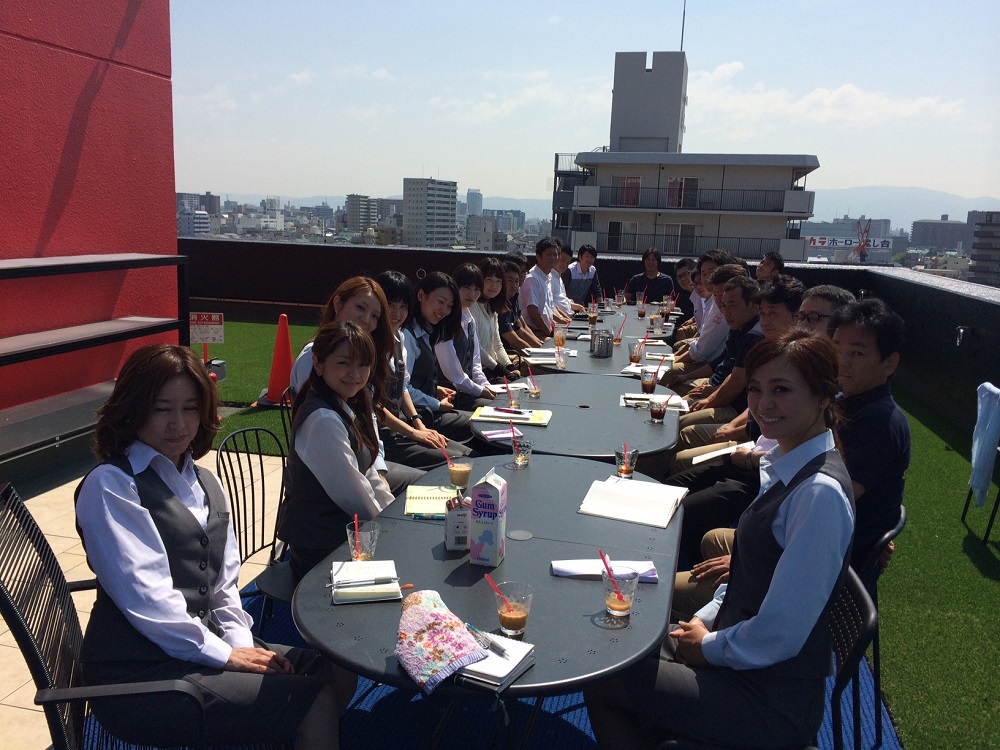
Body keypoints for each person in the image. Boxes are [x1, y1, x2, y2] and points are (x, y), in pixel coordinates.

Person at [585, 330, 855, 749]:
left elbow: (781, 632)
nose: (763, 404)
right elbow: (749, 574)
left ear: (823, 397)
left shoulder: (819, 494)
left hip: (769, 699)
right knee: (623, 643)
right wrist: (706, 619)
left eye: (782, 390)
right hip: (741, 658)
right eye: (756, 389)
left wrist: (707, 647)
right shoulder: (787, 464)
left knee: (607, 681)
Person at [75, 344, 351, 749]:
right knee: (311, 700)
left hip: (198, 646)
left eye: (190, 408)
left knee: (331, 670)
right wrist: (226, 657)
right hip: (140, 675)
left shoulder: (204, 481)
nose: (178, 424)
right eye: (162, 408)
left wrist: (239, 645)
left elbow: (223, 588)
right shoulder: (112, 485)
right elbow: (147, 598)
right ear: (133, 409)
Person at [278, 321, 396, 580]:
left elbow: (367, 472)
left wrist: (394, 517)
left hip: (344, 535)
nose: (355, 374)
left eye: (363, 364)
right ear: (318, 364)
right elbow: (355, 497)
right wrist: (391, 531)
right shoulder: (322, 419)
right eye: (343, 363)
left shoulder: (344, 403)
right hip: (322, 551)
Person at [289, 276, 421, 494]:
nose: (366, 320)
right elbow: (332, 451)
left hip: (364, 463)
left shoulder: (362, 358)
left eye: (375, 316)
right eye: (360, 307)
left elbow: (368, 419)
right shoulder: (313, 358)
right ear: (338, 303)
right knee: (427, 485)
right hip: (326, 484)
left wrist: (379, 469)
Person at [831, 297, 910, 577]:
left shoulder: (878, 421)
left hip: (831, 561)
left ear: (889, 364)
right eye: (836, 349)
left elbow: (831, 500)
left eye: (857, 353)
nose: (842, 361)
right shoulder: (845, 400)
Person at [373, 270, 472, 470]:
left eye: (403, 306)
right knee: (458, 461)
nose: (397, 313)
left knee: (467, 455)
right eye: (390, 305)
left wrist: (417, 422)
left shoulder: (399, 338)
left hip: (406, 423)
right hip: (383, 438)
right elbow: (374, 405)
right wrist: (416, 428)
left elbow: (402, 387)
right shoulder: (369, 346)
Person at [402, 272, 475, 439]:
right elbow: (403, 388)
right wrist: (437, 404)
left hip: (429, 410)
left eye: (449, 306)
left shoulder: (428, 331)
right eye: (441, 302)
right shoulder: (407, 336)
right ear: (421, 295)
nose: (444, 311)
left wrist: (435, 389)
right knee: (478, 424)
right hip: (418, 417)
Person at [435, 263, 498, 410]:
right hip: (452, 396)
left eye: (477, 289)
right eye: (467, 288)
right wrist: (481, 391)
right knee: (494, 408)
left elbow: (476, 365)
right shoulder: (446, 322)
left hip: (470, 392)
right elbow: (454, 375)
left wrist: (487, 387)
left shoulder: (470, 320)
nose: (472, 294)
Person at [471, 257, 521, 381]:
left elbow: (497, 345)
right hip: (480, 372)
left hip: (493, 368)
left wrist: (509, 366)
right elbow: (477, 348)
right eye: (489, 279)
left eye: (498, 281)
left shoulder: (492, 307)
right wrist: (501, 369)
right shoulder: (472, 306)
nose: (494, 285)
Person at [519, 237, 564, 338]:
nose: (553, 258)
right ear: (538, 257)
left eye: (555, 254)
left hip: (547, 330)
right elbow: (533, 311)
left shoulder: (548, 277)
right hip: (535, 333)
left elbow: (548, 309)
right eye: (549, 254)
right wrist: (549, 333)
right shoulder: (532, 279)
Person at [499, 258, 542, 352]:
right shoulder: (499, 306)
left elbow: (521, 328)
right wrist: (536, 354)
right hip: (508, 353)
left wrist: (541, 348)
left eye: (516, 281)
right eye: (509, 280)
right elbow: (515, 341)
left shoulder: (511, 300)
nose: (514, 285)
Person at [552, 242, 583, 315]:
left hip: (569, 315)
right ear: (556, 257)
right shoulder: (549, 278)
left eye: (568, 263)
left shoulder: (558, 277)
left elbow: (562, 300)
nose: (564, 265)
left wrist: (580, 307)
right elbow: (550, 305)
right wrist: (563, 318)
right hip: (561, 318)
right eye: (562, 260)